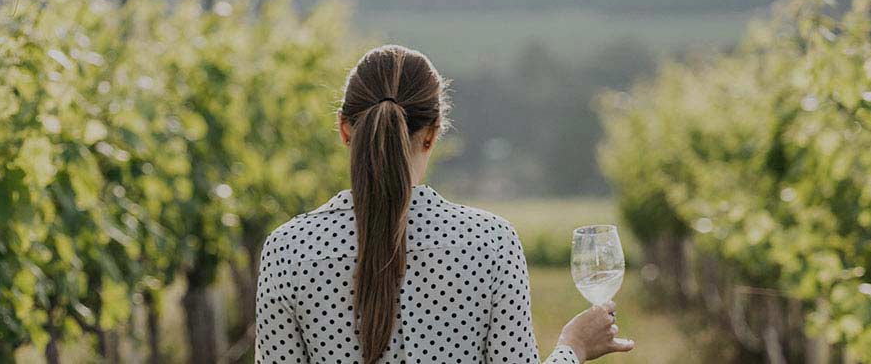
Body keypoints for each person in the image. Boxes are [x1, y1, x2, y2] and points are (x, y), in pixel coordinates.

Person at [254, 45, 636, 363]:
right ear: (433, 133)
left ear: (344, 129)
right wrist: (574, 346)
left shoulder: (288, 250)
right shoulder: (491, 242)